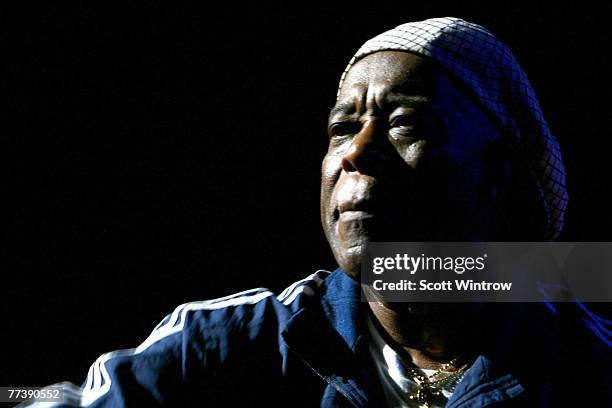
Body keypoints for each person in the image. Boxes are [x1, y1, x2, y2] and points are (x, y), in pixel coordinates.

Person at [21, 17, 609, 407]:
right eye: (341, 128)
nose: (356, 151)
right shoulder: (237, 346)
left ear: (500, 175)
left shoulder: (586, 365)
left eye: (405, 124)